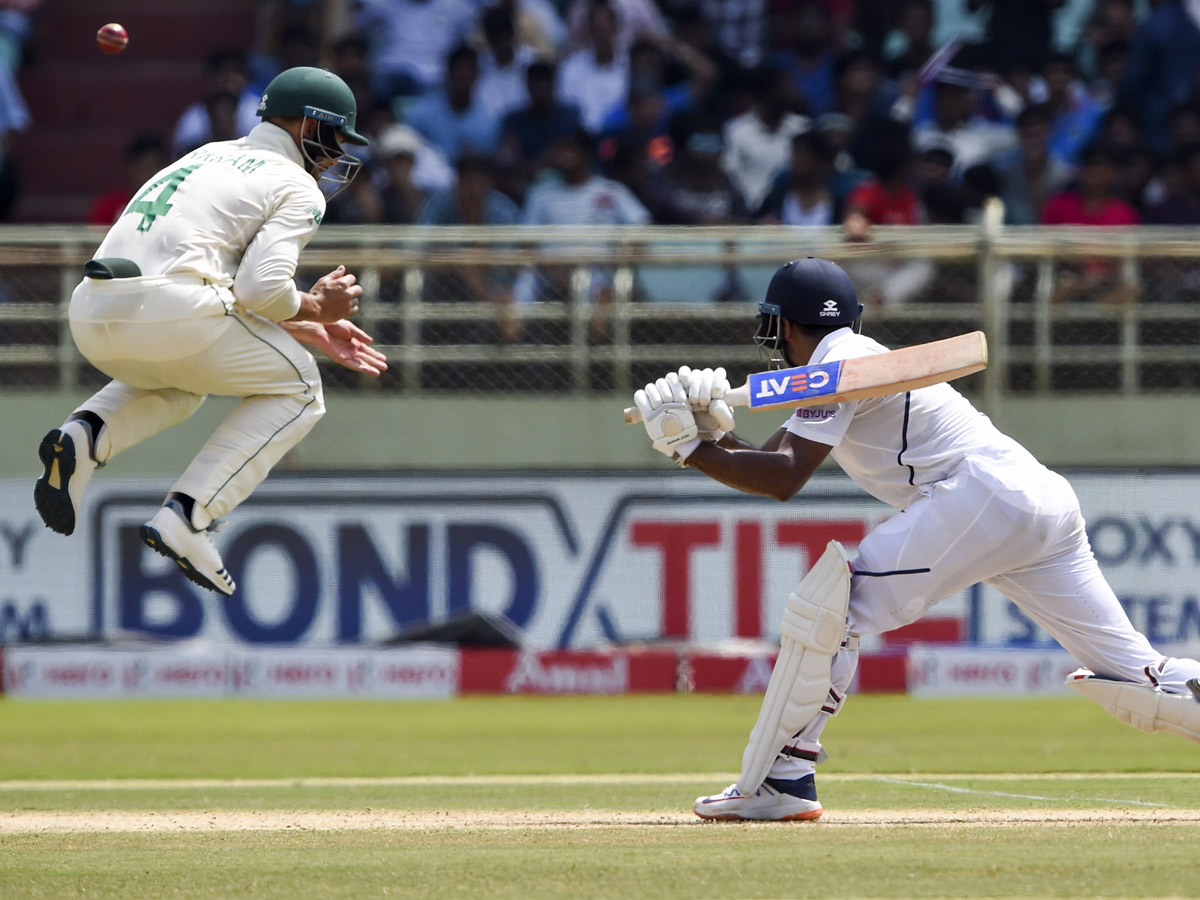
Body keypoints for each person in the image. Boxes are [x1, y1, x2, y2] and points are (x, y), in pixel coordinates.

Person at [631, 257, 1200, 821]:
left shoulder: (838, 362)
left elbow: (783, 479)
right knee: (1138, 676)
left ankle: (782, 779)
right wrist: (707, 433)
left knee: (832, 612)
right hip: (1036, 500)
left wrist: (690, 451)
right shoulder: (850, 359)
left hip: (981, 497)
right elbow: (770, 459)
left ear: (782, 325)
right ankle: (782, 780)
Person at [33, 67, 388, 596]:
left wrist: (300, 324)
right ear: (307, 125)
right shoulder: (296, 184)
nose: (338, 155)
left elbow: (212, 277)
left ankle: (82, 437)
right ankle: (189, 516)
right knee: (301, 388)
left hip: (92, 310)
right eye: (336, 136)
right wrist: (317, 306)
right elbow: (260, 288)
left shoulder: (203, 155)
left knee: (184, 381)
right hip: (174, 312)